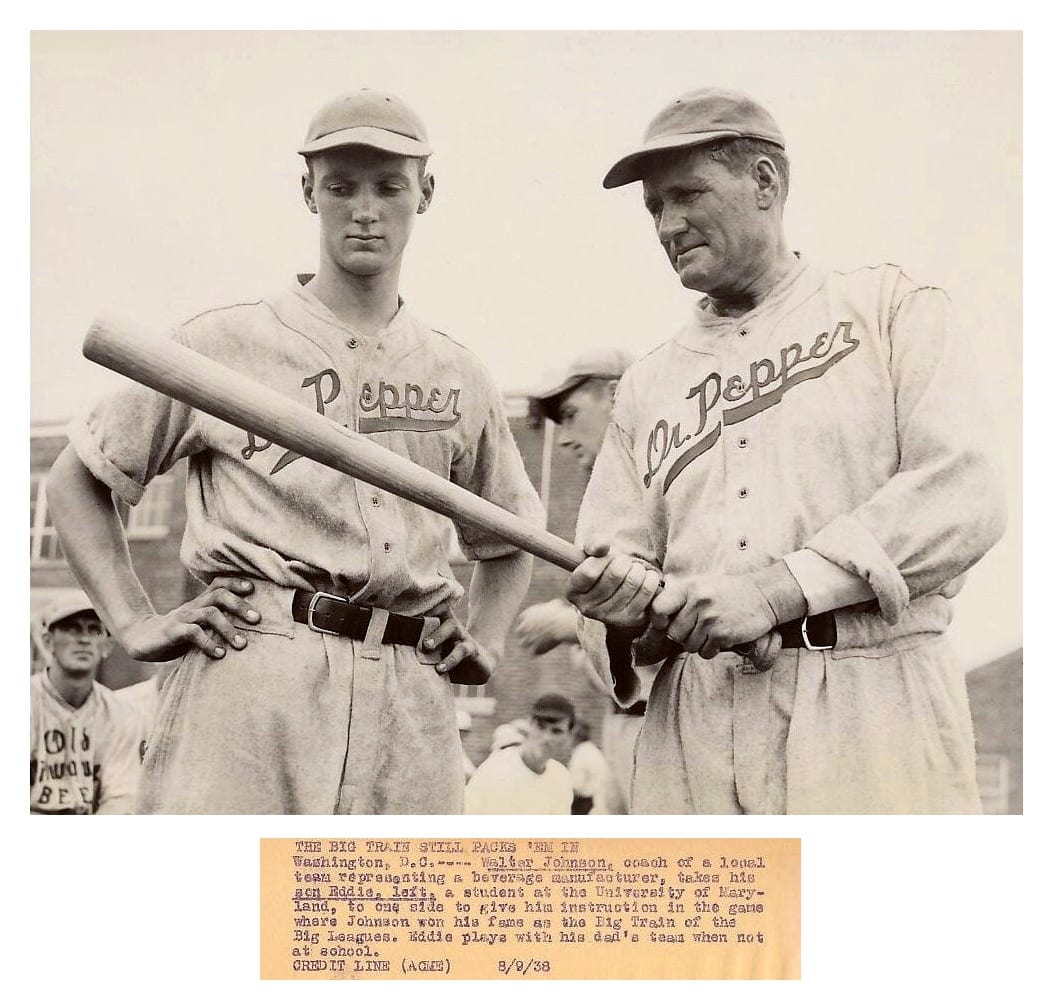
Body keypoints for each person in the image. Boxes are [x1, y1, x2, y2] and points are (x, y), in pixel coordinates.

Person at [45, 89, 544, 814]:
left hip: (409, 683)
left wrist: (488, 640)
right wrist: (135, 619)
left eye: (388, 186)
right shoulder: (220, 344)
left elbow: (508, 537)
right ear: (308, 189)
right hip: (256, 663)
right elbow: (76, 480)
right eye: (340, 186)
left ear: (425, 193)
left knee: (399, 919)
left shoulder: (457, 373)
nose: (363, 208)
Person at [566, 87, 1007, 814]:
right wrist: (619, 612)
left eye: (687, 194)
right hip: (698, 723)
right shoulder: (648, 383)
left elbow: (964, 494)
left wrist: (773, 589)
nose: (668, 223)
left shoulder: (888, 308)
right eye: (654, 208)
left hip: (871, 695)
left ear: (766, 182)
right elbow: (609, 559)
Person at [516, 347, 646, 813]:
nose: (565, 438)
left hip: (664, 723)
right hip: (626, 724)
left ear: (615, 396)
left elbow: (683, 604)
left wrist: (572, 626)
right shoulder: (610, 499)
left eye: (571, 416)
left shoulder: (661, 479)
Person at [30, 592, 141, 814]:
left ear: (107, 646)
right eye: (72, 628)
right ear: (47, 641)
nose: (84, 639)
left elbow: (120, 798)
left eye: (94, 629)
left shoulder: (123, 714)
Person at [464, 694, 575, 814]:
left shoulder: (561, 778)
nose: (546, 738)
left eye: (556, 731)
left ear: (568, 736)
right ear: (530, 724)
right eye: (541, 727)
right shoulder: (498, 768)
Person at [567, 720, 611, 815]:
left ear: (574, 735)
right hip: (600, 802)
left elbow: (576, 786)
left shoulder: (580, 753)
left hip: (586, 805)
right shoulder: (592, 749)